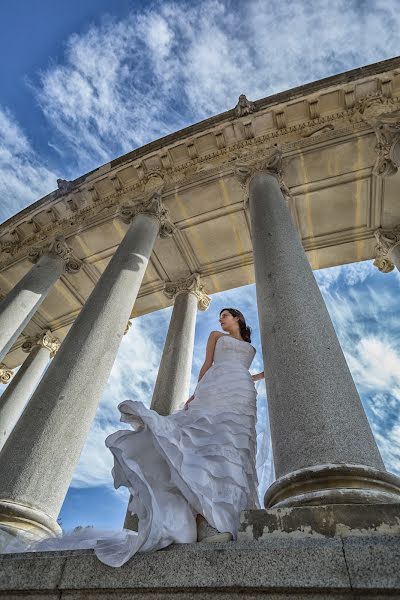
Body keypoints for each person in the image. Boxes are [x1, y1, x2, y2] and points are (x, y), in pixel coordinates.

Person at [1, 308, 268, 568]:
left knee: (234, 444)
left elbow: (245, 371)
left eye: (225, 316)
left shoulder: (250, 347)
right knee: (207, 441)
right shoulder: (214, 336)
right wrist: (196, 395)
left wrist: (259, 377)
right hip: (216, 387)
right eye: (220, 316)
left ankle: (223, 519)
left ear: (237, 318)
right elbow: (207, 366)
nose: (221, 320)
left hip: (242, 391)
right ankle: (206, 518)